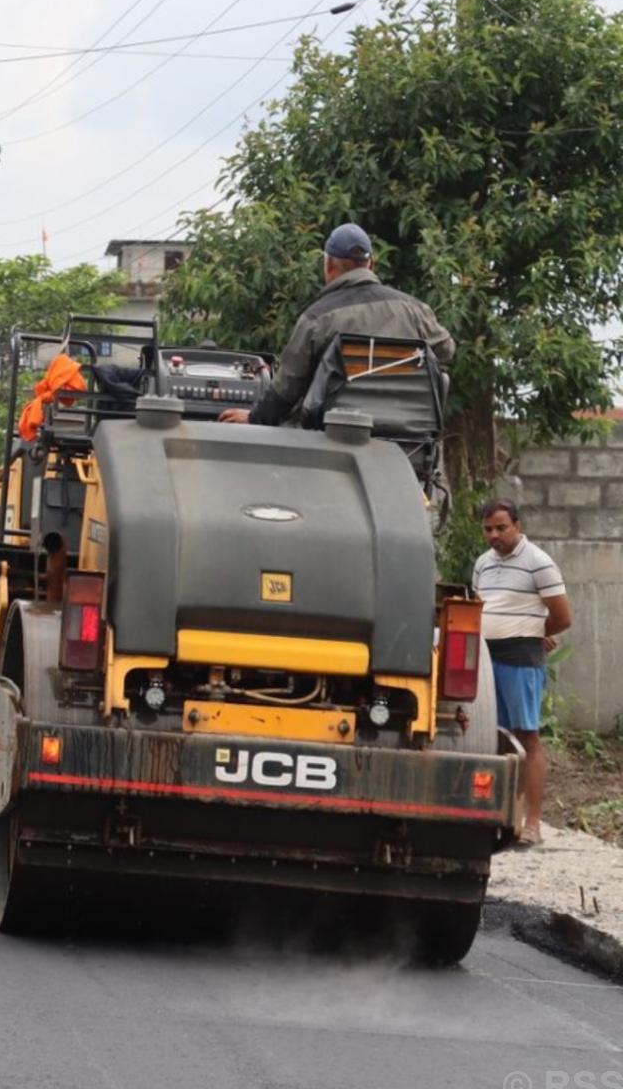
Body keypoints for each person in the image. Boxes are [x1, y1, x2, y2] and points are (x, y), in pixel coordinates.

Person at [219, 223, 454, 427]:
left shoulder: (317, 318)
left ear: (329, 265)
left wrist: (254, 418)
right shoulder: (413, 309)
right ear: (370, 264)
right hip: (409, 442)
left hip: (334, 444)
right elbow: (446, 350)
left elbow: (286, 389)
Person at [473, 498, 573, 847]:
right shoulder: (483, 564)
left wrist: (536, 631)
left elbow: (562, 617)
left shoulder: (538, 563)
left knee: (526, 737)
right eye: (488, 529)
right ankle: (499, 814)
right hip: (486, 659)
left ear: (517, 524)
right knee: (491, 737)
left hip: (520, 660)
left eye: (502, 527)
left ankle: (532, 822)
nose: (494, 535)